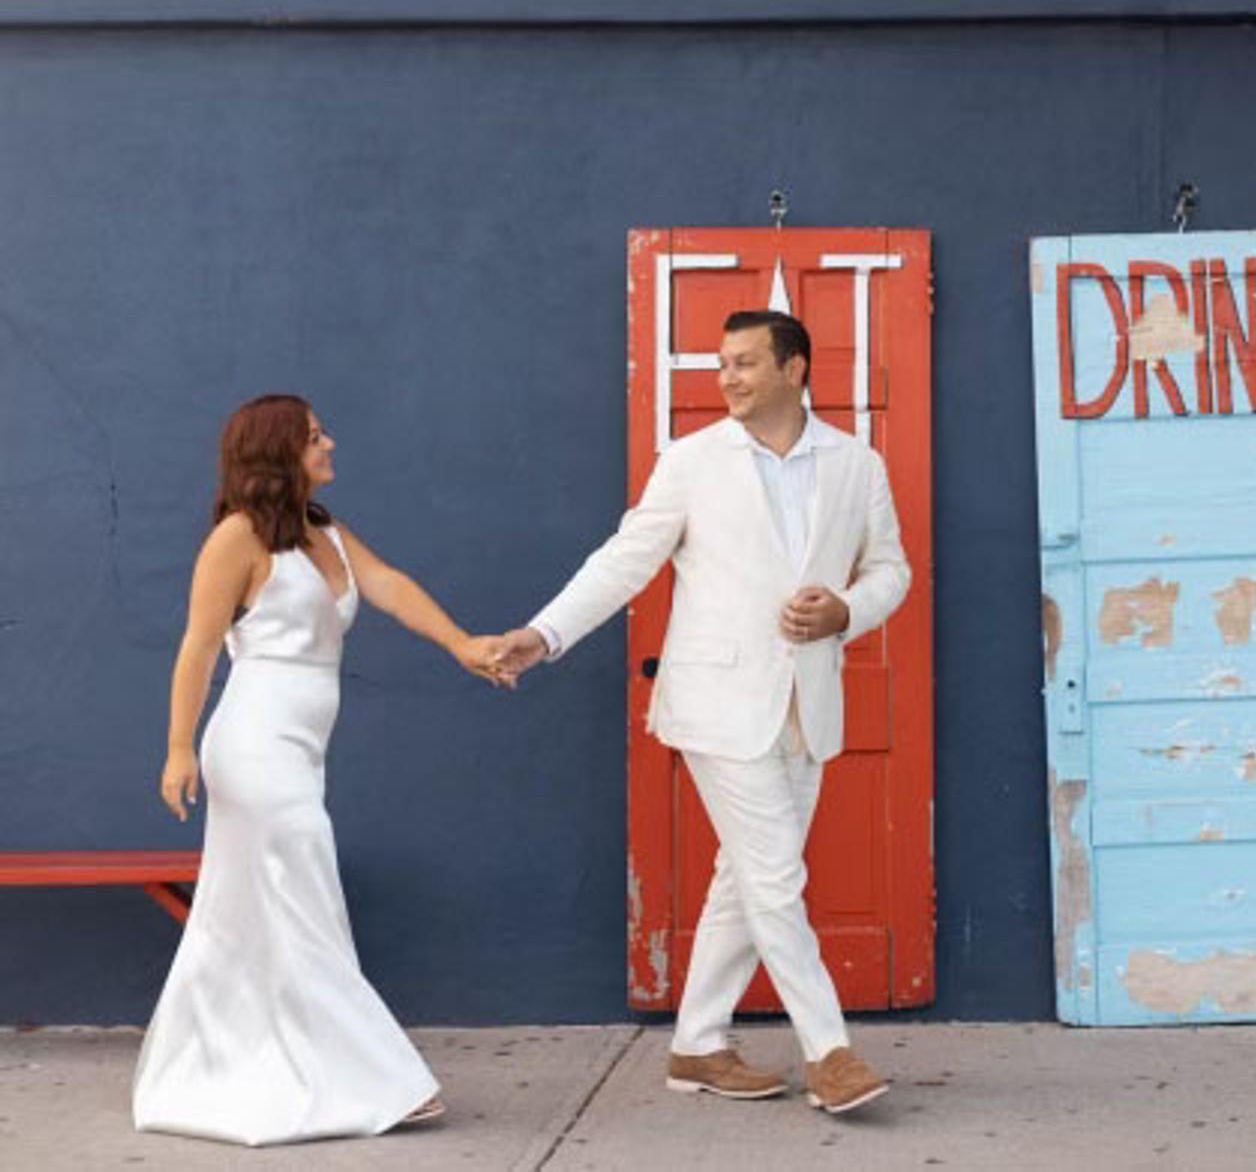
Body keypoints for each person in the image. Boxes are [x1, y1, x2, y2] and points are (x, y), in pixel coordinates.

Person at [490, 309, 909, 1115]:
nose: (727, 377)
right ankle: (831, 1050)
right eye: (722, 363)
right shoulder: (690, 462)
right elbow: (624, 561)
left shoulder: (857, 464)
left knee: (744, 877)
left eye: (746, 362)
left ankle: (699, 1044)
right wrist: (544, 635)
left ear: (795, 369)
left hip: (807, 703)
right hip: (719, 702)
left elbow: (891, 568)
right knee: (776, 875)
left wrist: (846, 611)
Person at [134, 394, 508, 1146]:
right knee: (306, 900)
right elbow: (199, 647)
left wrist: (461, 642)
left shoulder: (323, 531)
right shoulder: (236, 540)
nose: (330, 442)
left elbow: (391, 585)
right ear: (278, 453)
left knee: (255, 912)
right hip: (252, 749)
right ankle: (382, 1080)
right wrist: (178, 747)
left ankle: (217, 1060)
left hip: (301, 754)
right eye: (313, 437)